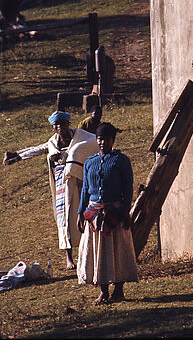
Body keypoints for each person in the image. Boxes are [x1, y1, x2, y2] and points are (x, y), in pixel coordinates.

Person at [3, 110, 97, 269]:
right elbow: (40, 149)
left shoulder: (81, 136)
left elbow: (93, 143)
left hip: (80, 180)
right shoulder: (53, 142)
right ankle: (69, 258)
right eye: (56, 125)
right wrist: (17, 156)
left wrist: (76, 156)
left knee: (81, 215)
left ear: (68, 123)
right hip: (62, 184)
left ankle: (85, 253)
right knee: (64, 219)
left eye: (62, 123)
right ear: (53, 127)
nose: (60, 127)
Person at [77, 122, 138, 305]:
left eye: (106, 139)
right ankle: (103, 291)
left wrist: (126, 210)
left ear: (113, 140)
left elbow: (128, 188)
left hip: (115, 213)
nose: (102, 142)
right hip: (94, 214)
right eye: (99, 139)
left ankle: (119, 290)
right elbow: (86, 190)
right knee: (99, 253)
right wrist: (81, 212)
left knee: (118, 251)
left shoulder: (121, 161)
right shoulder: (90, 163)